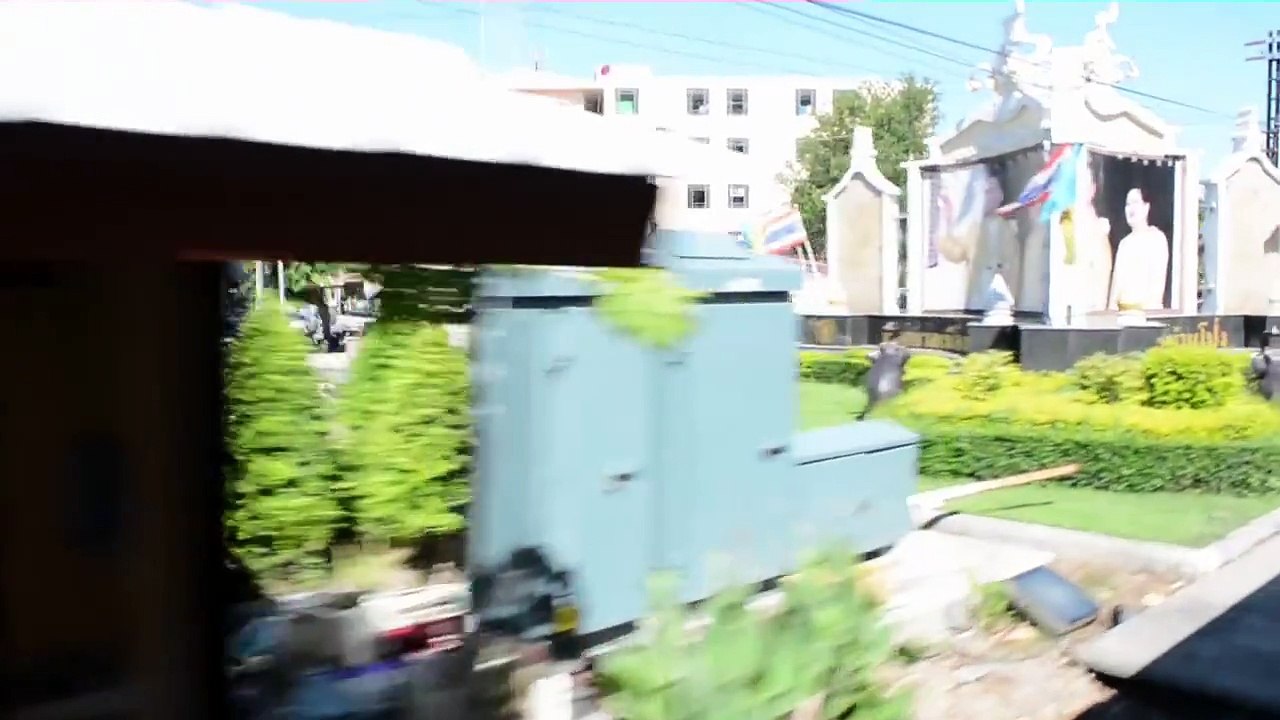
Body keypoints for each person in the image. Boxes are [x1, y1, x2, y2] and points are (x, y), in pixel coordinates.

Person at [1107, 186, 1169, 311]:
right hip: (1122, 316)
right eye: (1128, 204)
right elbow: (1116, 288)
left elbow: (1157, 287)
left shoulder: (1156, 238)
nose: (1131, 208)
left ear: (1146, 207)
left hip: (1146, 316)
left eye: (1135, 202)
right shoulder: (1124, 244)